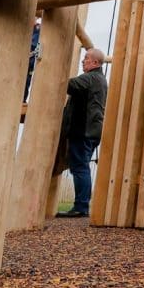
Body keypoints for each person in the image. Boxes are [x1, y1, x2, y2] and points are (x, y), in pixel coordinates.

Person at [55, 46, 107, 219]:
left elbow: (68, 84)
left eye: (86, 58)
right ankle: (81, 205)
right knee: (81, 165)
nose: (83, 60)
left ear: (95, 62)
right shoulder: (99, 79)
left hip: (83, 130)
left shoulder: (91, 78)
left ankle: (81, 207)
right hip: (90, 129)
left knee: (80, 167)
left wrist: (54, 70)